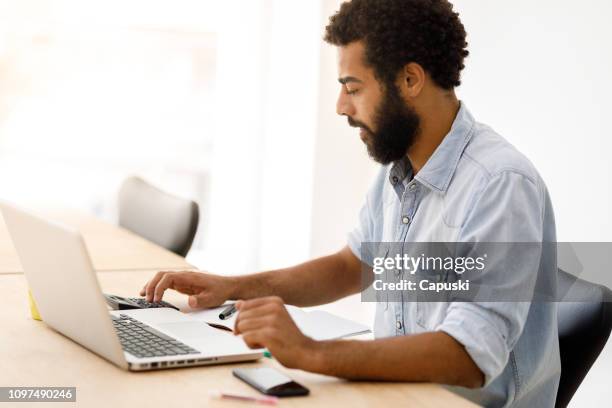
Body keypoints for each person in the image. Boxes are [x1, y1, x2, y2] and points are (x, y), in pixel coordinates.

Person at [140, 0, 560, 406]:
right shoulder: (401, 166)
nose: (342, 107)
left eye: (353, 88)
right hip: (394, 394)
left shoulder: (500, 185)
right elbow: (352, 265)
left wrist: (312, 353)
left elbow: (468, 357)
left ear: (410, 80)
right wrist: (232, 287)